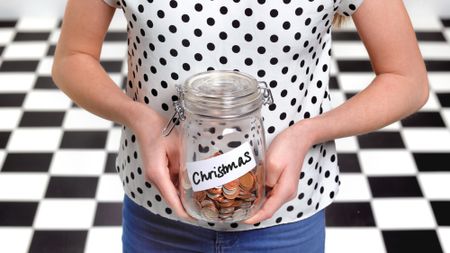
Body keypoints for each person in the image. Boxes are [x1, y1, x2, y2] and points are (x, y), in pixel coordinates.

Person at [52, 0, 429, 252]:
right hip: (159, 215)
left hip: (287, 219)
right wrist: (144, 120)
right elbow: (72, 58)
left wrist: (306, 133)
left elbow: (407, 80)